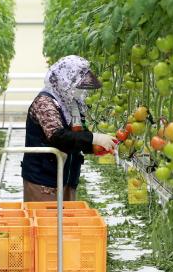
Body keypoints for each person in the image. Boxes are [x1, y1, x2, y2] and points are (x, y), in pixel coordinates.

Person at [21, 55, 116, 201]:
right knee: (44, 221)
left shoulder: (71, 104)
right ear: (65, 81)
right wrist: (94, 138)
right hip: (43, 181)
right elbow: (58, 137)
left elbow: (77, 134)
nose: (81, 90)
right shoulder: (45, 103)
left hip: (67, 176)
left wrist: (92, 147)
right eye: (78, 86)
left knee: (65, 221)